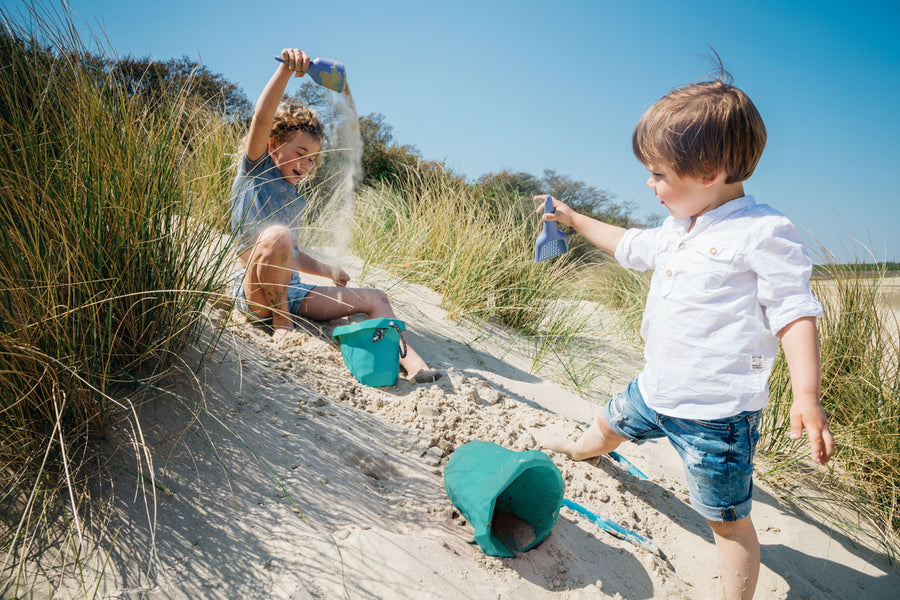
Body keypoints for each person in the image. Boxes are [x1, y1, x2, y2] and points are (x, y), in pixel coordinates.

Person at [536, 65, 834, 600]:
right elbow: (627, 243)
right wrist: (576, 220)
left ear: (711, 170)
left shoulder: (763, 231)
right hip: (656, 388)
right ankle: (581, 451)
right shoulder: (678, 229)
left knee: (726, 519)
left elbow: (795, 311)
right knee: (607, 422)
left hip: (716, 417)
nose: (650, 185)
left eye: (659, 174)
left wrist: (806, 395)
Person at [231, 47, 440, 383]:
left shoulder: (294, 198)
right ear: (272, 145)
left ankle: (414, 363)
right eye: (300, 153)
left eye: (312, 159)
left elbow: (291, 255)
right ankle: (282, 325)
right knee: (276, 235)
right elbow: (262, 117)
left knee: (376, 298)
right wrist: (286, 71)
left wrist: (328, 270)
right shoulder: (256, 170)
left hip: (292, 291)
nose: (305, 165)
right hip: (254, 292)